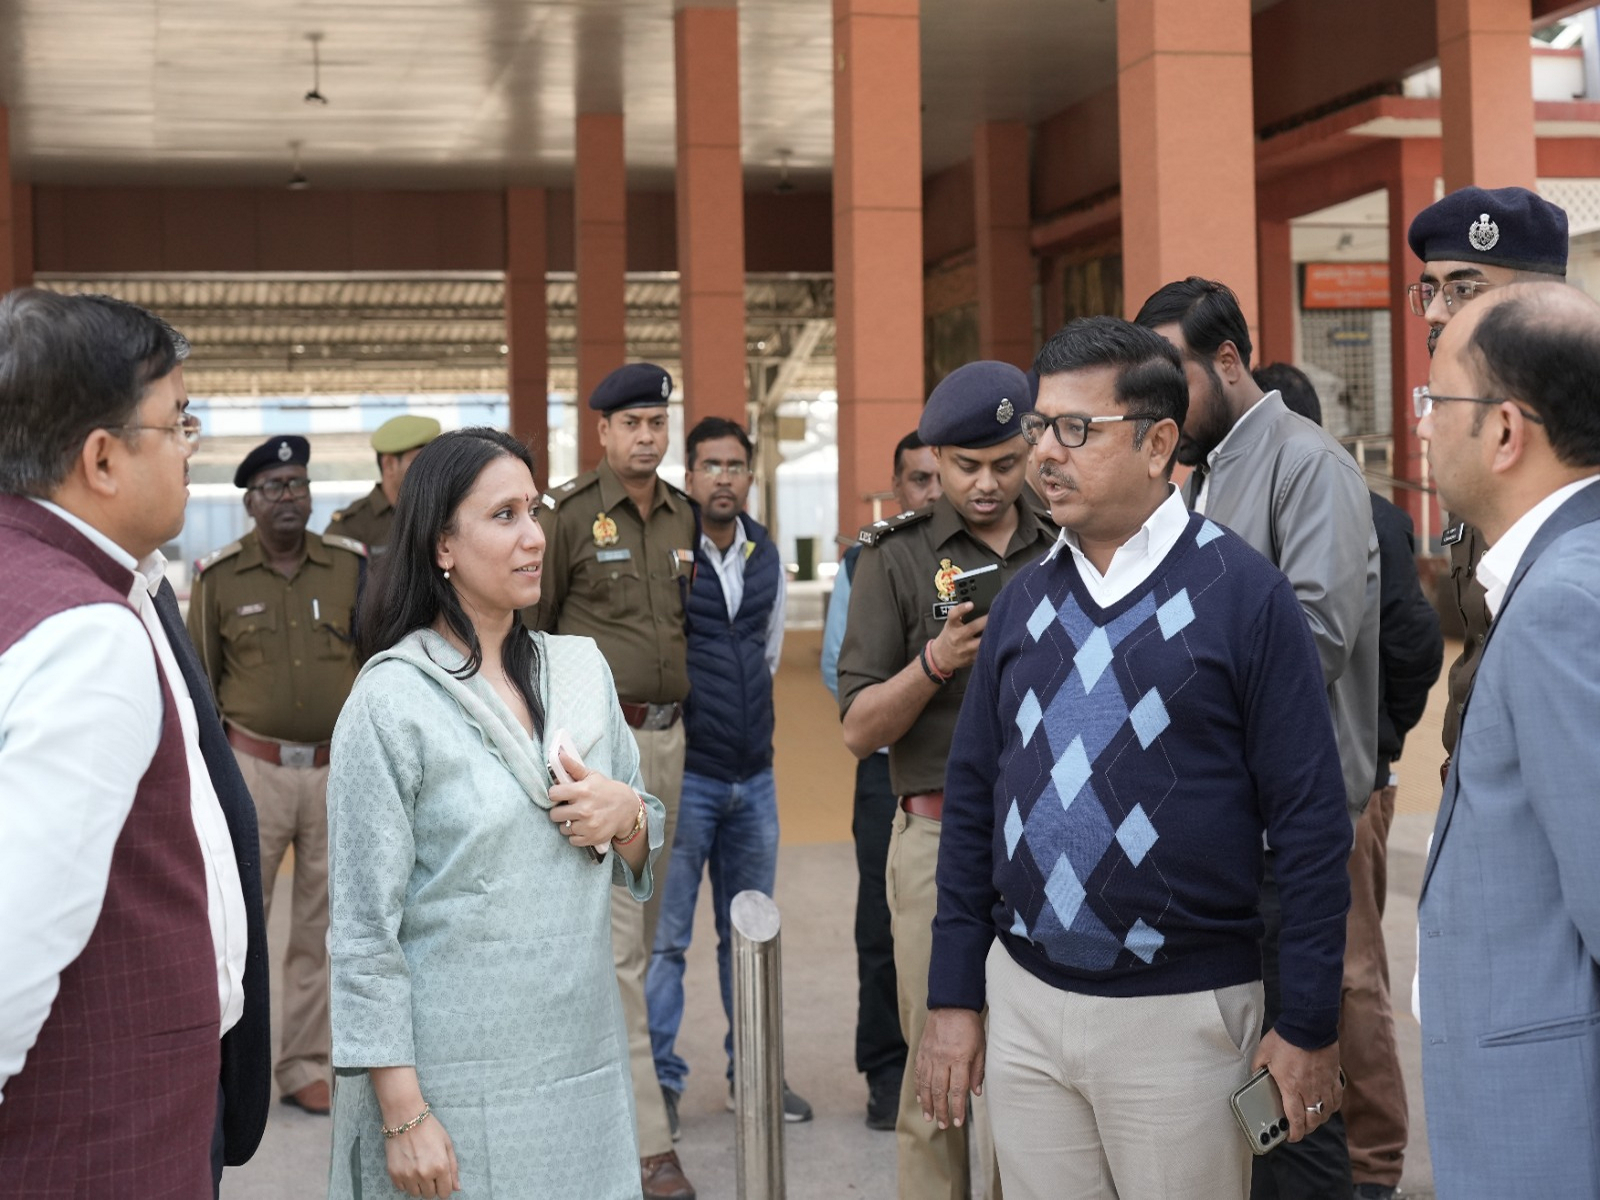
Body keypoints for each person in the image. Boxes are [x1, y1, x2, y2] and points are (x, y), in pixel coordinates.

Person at [916, 316, 1352, 1200]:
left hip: (1182, 1017)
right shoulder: (1020, 603)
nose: (1044, 453)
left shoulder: (1246, 595)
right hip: (1027, 1005)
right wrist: (955, 995)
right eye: (1040, 426)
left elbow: (1310, 827)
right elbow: (972, 803)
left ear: (1159, 443)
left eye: (1076, 430)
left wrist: (1307, 1022)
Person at [327, 427, 665, 1199]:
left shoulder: (580, 670)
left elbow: (641, 848)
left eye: (534, 510)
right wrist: (404, 1113)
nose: (535, 537)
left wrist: (626, 815)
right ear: (442, 545)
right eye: (503, 515)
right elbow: (362, 932)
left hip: (580, 1067)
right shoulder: (392, 702)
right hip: (454, 1082)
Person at [0, 289, 258, 1194]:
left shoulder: (75, 582)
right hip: (96, 1139)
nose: (194, 445)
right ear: (102, 458)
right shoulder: (83, 631)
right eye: (178, 419)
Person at [1136, 278, 1378, 1200]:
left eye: (1173, 379)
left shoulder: (1307, 464)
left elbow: (1313, 639)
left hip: (1291, 845)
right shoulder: (1206, 473)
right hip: (1228, 842)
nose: (1156, 407)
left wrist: (1164, 680)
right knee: (1243, 1098)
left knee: (1294, 1098)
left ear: (1228, 360)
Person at [838, 360, 1056, 1200]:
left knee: (1036, 1081)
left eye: (1006, 462)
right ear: (935, 458)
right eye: (968, 467)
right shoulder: (893, 562)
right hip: (935, 840)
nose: (990, 484)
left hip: (1049, 837)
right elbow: (859, 729)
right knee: (941, 1076)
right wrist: (935, 662)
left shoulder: (1068, 539)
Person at [1415, 281, 1600, 1196]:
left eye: (1436, 400)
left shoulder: (1564, 601)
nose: (1421, 425)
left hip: (1547, 1127)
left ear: (1505, 430)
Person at [1256, 362, 1442, 1200]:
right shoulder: (1217, 512)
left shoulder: (1367, 516)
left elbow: (1412, 648)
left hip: (1345, 788)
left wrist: (1372, 754)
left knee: (1349, 976)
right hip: (1269, 799)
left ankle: (1370, 1162)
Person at [525, 361, 699, 1200]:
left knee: (647, 936)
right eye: (630, 423)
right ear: (601, 432)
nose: (646, 437)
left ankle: (618, 1096)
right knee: (624, 951)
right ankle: (647, 1146)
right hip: (601, 747)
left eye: (656, 423)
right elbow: (531, 640)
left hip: (670, 740)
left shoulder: (681, 517)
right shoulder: (563, 517)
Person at [187, 434, 367, 1116]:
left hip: (331, 772)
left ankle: (301, 1064)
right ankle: (229, 1064)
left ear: (311, 495)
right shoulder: (218, 578)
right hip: (252, 773)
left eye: (297, 484)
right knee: (238, 925)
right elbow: (201, 685)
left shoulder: (349, 568)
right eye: (272, 488)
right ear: (249, 503)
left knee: (319, 928)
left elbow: (373, 662)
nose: (287, 497)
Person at [646, 416, 813, 1135]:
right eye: (709, 465)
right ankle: (659, 1085)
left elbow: (768, 652)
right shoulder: (668, 549)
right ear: (689, 477)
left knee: (748, 936)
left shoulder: (765, 550)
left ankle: (754, 1077)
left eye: (735, 465)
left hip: (756, 778)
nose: (723, 477)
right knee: (668, 941)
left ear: (750, 475)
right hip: (691, 776)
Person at [1405, 186, 1569, 785]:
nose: (1435, 311)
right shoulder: (1472, 452)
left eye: (1464, 289)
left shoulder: (1576, 446)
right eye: (1432, 288)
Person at [821, 429, 941, 1130]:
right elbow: (843, 669)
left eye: (938, 477)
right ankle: (887, 1068)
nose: (930, 491)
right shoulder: (871, 558)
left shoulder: (978, 557)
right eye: (917, 480)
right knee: (883, 923)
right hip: (886, 769)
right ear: (897, 488)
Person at [326, 413, 441, 554]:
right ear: (389, 464)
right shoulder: (351, 526)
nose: (432, 468)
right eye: (421, 460)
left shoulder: (444, 513)